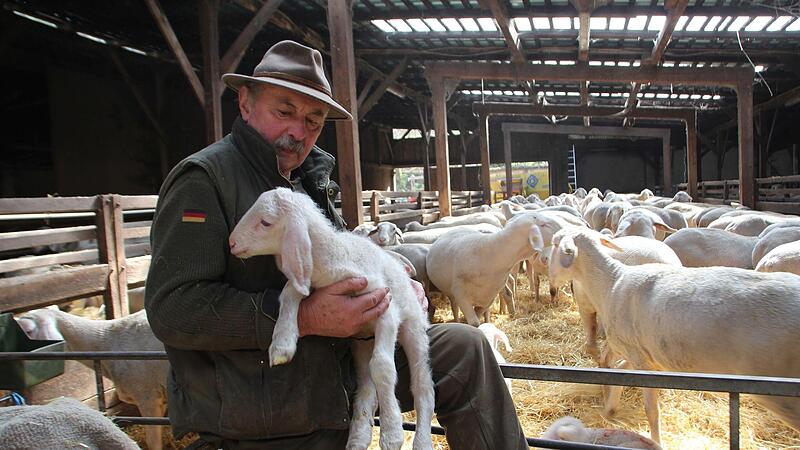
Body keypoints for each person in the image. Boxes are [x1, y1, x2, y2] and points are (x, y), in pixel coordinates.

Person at [145, 40, 528, 449]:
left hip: (339, 364)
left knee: (465, 348)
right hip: (265, 398)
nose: (299, 132)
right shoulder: (205, 182)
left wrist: (391, 271)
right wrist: (305, 316)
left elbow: (345, 250)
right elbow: (173, 309)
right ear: (244, 103)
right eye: (284, 111)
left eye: (314, 120)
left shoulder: (310, 178)